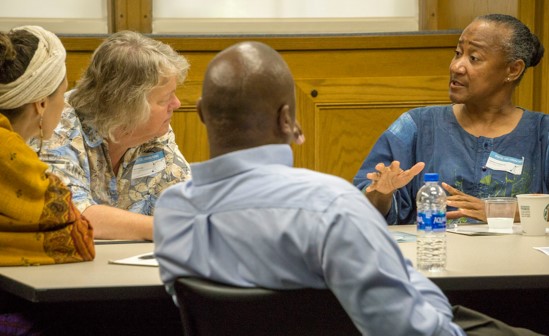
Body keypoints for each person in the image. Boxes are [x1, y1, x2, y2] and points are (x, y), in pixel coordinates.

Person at [154, 41, 541, 335]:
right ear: (288, 119)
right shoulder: (331, 206)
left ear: (202, 113)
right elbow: (408, 328)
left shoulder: (173, 211)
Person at [353, 13, 546, 225]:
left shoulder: (542, 134)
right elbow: (359, 207)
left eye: (474, 58)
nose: (456, 67)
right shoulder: (416, 126)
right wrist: (381, 193)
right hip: (432, 254)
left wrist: (501, 211)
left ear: (513, 69)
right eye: (457, 53)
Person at [36, 31, 192, 240]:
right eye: (164, 99)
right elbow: (72, 213)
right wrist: (168, 228)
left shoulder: (154, 131)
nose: (177, 104)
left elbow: (185, 202)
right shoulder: (56, 126)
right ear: (127, 107)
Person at [0, 25, 95, 335]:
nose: (64, 106)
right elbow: (77, 239)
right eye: (61, 95)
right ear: (41, 103)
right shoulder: (10, 157)